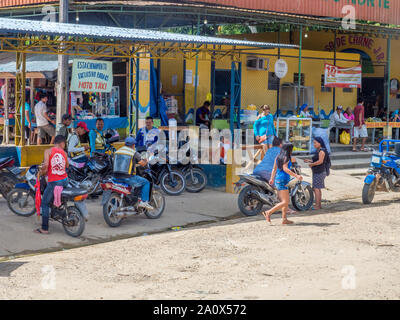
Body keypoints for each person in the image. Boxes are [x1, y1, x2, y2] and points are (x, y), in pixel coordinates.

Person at [35, 135, 69, 234]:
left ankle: (44, 228)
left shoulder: (48, 151)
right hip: (65, 180)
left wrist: (41, 173)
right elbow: (67, 165)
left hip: (54, 181)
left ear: (55, 142)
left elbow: (45, 166)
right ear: (62, 143)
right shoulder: (65, 153)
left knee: (44, 203)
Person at [262, 142, 303, 225]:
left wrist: (271, 178)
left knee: (285, 201)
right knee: (285, 202)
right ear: (289, 150)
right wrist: (296, 176)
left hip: (278, 180)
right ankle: (268, 212)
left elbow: (274, 169)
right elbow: (285, 169)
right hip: (283, 180)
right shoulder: (287, 158)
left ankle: (284, 219)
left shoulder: (278, 157)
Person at [113, 136, 154, 210]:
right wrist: (147, 160)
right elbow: (142, 164)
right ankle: (144, 202)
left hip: (115, 177)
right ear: (133, 145)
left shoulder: (117, 151)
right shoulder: (133, 152)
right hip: (127, 177)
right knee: (146, 182)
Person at [304, 137, 331, 211]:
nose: (314, 144)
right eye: (314, 143)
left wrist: (312, 164)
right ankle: (318, 204)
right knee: (317, 188)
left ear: (320, 143)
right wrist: (309, 161)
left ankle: (317, 205)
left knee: (316, 188)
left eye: (315, 143)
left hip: (320, 171)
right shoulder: (319, 150)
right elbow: (318, 160)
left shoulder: (322, 151)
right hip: (319, 171)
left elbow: (320, 161)